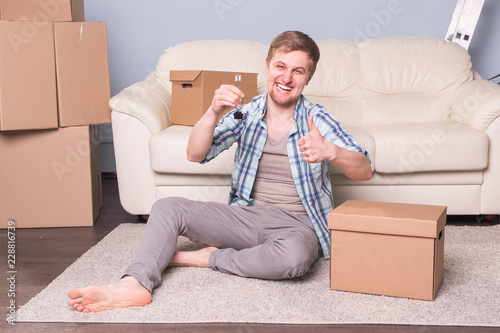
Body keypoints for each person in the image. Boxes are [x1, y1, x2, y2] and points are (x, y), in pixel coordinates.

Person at [67, 31, 372, 313]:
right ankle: (134, 283)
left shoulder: (317, 118)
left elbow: (364, 170)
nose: (287, 78)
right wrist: (212, 111)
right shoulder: (247, 112)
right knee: (166, 208)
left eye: (298, 71)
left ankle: (205, 257)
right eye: (281, 66)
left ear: (308, 77)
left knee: (294, 259)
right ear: (267, 66)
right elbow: (195, 153)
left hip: (297, 224)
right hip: (246, 217)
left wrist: (331, 151)